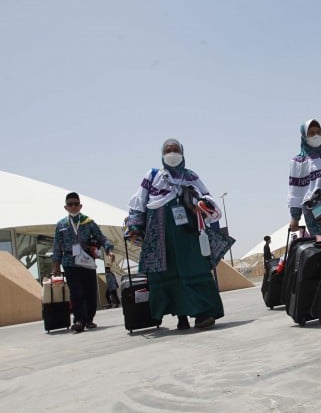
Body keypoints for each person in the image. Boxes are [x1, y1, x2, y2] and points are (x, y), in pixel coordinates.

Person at [127, 138, 224, 330]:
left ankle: (202, 313)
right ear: (162, 155)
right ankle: (181, 317)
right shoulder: (153, 175)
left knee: (193, 268)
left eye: (176, 150)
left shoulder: (191, 176)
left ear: (182, 152)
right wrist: (135, 225)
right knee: (169, 271)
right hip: (161, 232)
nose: (172, 153)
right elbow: (139, 199)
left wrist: (201, 200)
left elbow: (207, 195)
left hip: (188, 232)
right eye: (168, 150)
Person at [52, 192, 115, 332]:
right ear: (65, 207)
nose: (73, 206)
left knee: (90, 291)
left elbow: (101, 238)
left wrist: (109, 250)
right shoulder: (61, 224)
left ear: (80, 206)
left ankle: (89, 320)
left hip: (87, 260)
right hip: (69, 262)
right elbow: (57, 245)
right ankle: (79, 320)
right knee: (76, 292)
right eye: (70, 204)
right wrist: (56, 263)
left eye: (76, 204)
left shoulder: (88, 222)